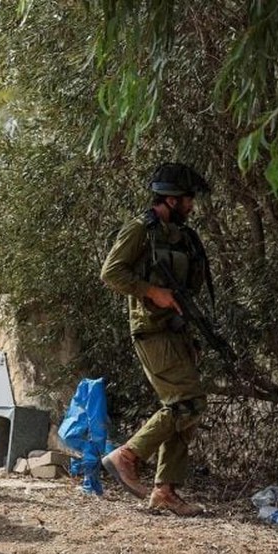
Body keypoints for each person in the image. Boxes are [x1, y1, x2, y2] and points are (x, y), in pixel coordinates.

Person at [100, 162, 213, 517]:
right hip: (151, 330)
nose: (192, 206)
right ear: (170, 199)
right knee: (187, 403)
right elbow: (111, 272)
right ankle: (128, 455)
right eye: (187, 199)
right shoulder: (140, 230)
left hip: (177, 331)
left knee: (186, 410)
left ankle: (165, 490)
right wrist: (151, 291)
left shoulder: (184, 237)